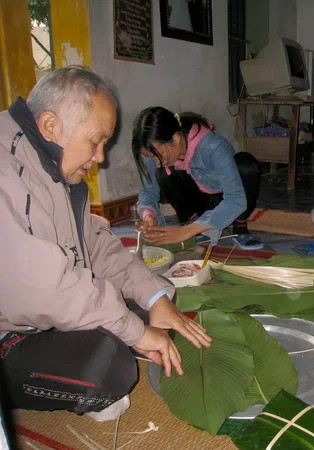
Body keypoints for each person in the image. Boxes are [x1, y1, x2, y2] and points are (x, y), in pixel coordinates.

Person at [0, 66, 211, 421]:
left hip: (43, 310)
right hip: (11, 327)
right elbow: (45, 289)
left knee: (157, 305)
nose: (101, 157)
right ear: (51, 126)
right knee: (111, 368)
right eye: (96, 141)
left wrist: (154, 298)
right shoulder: (7, 173)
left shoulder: (51, 165)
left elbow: (95, 246)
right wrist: (135, 332)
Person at [132, 106, 262, 250]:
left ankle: (240, 225)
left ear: (175, 139)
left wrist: (185, 232)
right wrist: (149, 216)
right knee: (163, 174)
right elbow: (148, 192)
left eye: (158, 155)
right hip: (203, 200)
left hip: (222, 195)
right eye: (151, 157)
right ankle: (194, 222)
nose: (155, 160)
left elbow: (236, 200)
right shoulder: (154, 149)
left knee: (246, 165)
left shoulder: (213, 146)